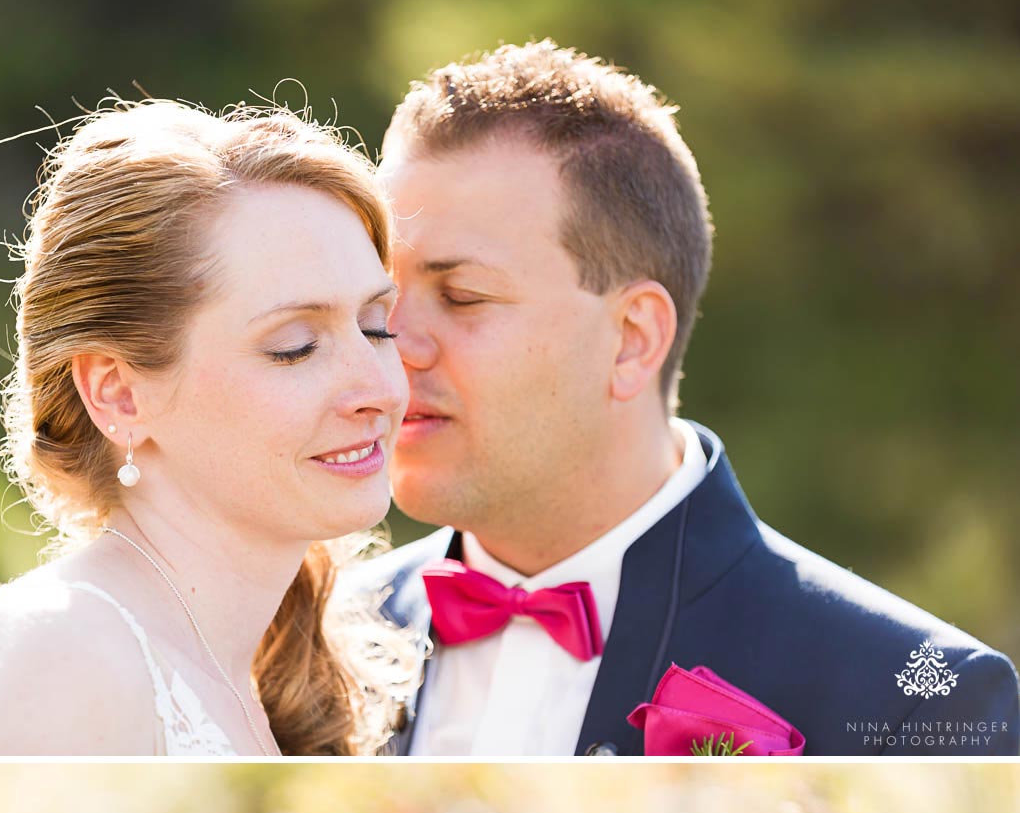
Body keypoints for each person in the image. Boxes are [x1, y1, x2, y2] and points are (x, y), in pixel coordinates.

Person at [363, 41, 1019, 756]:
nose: (390, 346)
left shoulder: (915, 699)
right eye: (381, 298)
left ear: (632, 338)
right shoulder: (300, 640)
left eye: (461, 296)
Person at [0, 100, 414, 756]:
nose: (379, 390)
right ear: (118, 394)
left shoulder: (256, 675)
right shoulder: (55, 653)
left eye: (375, 327)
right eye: (295, 345)